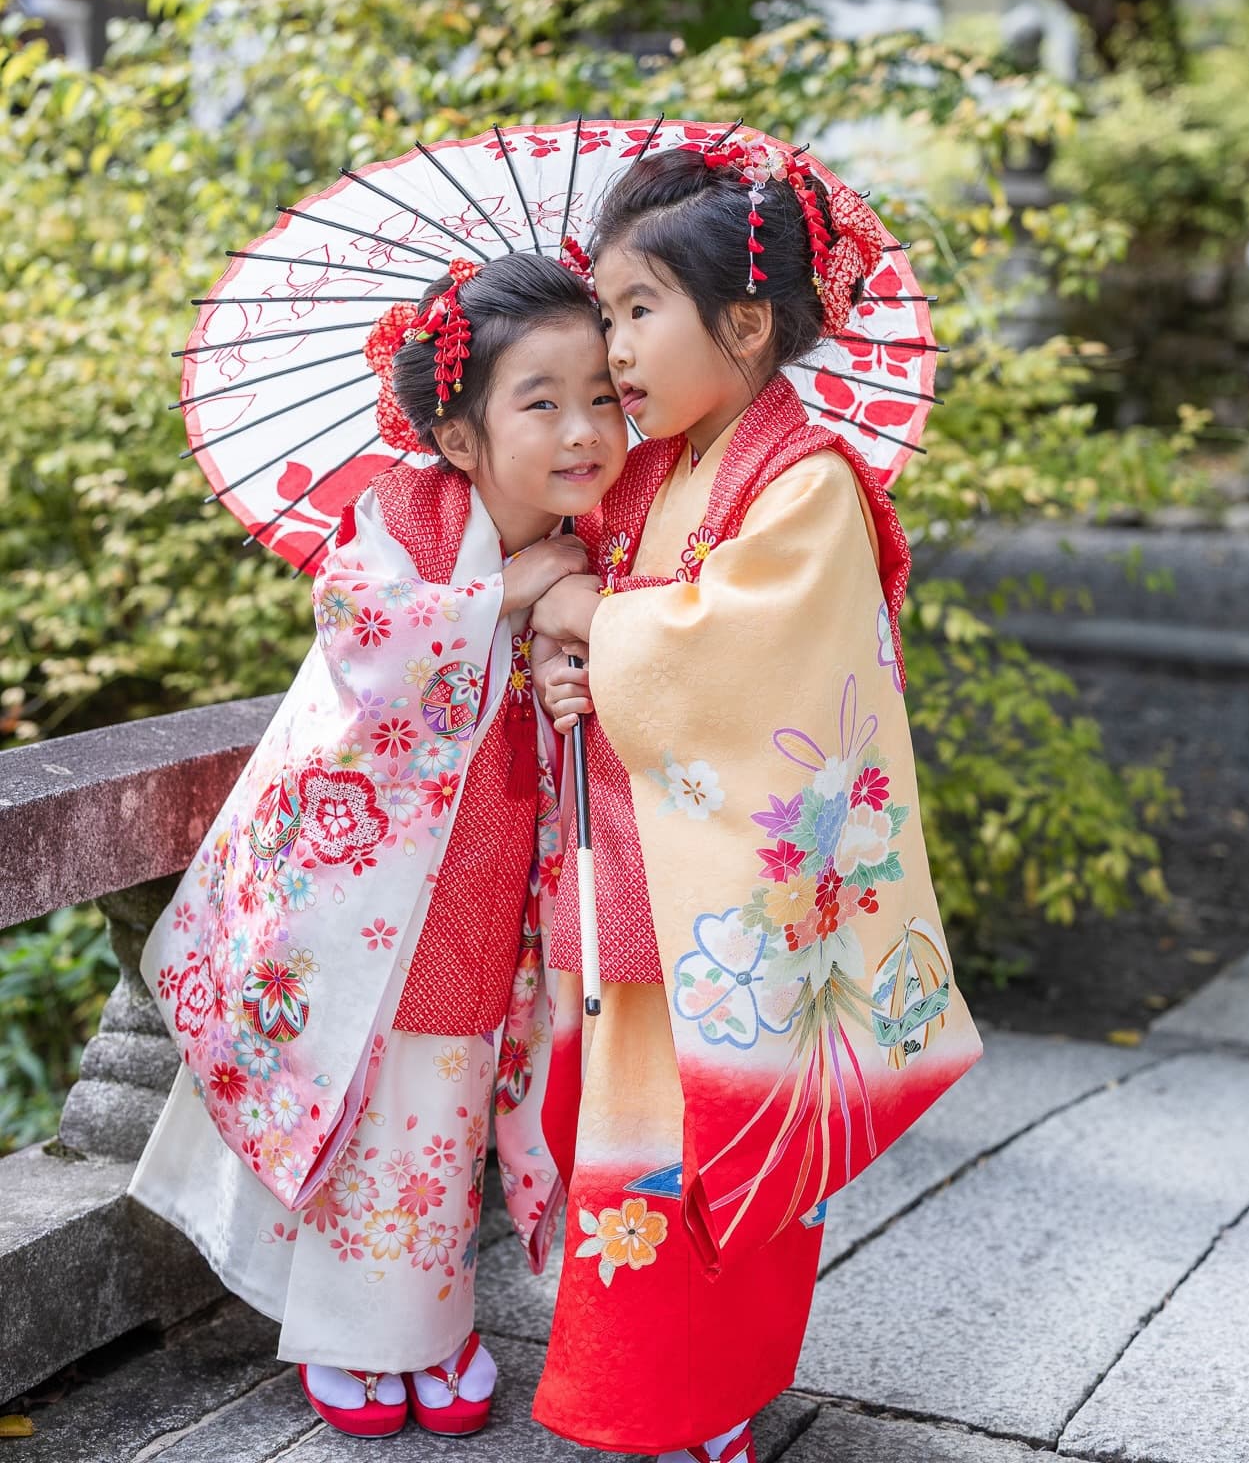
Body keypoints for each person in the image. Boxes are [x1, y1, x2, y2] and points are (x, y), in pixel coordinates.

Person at [533, 138, 983, 1463]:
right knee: (631, 1161)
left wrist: (594, 618)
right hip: (647, 887)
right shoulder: (658, 472)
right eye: (606, 310)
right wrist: (572, 653)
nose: (613, 346)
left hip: (734, 919)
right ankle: (648, 1399)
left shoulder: (804, 484)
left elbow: (730, 661)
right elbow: (625, 639)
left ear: (742, 323)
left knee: (713, 1159)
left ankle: (705, 1403)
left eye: (638, 309)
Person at [131, 252, 628, 1439]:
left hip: (487, 870)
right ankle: (351, 1332)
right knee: (358, 1085)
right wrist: (503, 594)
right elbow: (364, 638)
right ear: (458, 435)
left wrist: (568, 667)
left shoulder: (599, 540)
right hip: (363, 878)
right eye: (542, 400)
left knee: (440, 1100)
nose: (583, 427)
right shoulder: (402, 519)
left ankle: (427, 1325)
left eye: (604, 394)